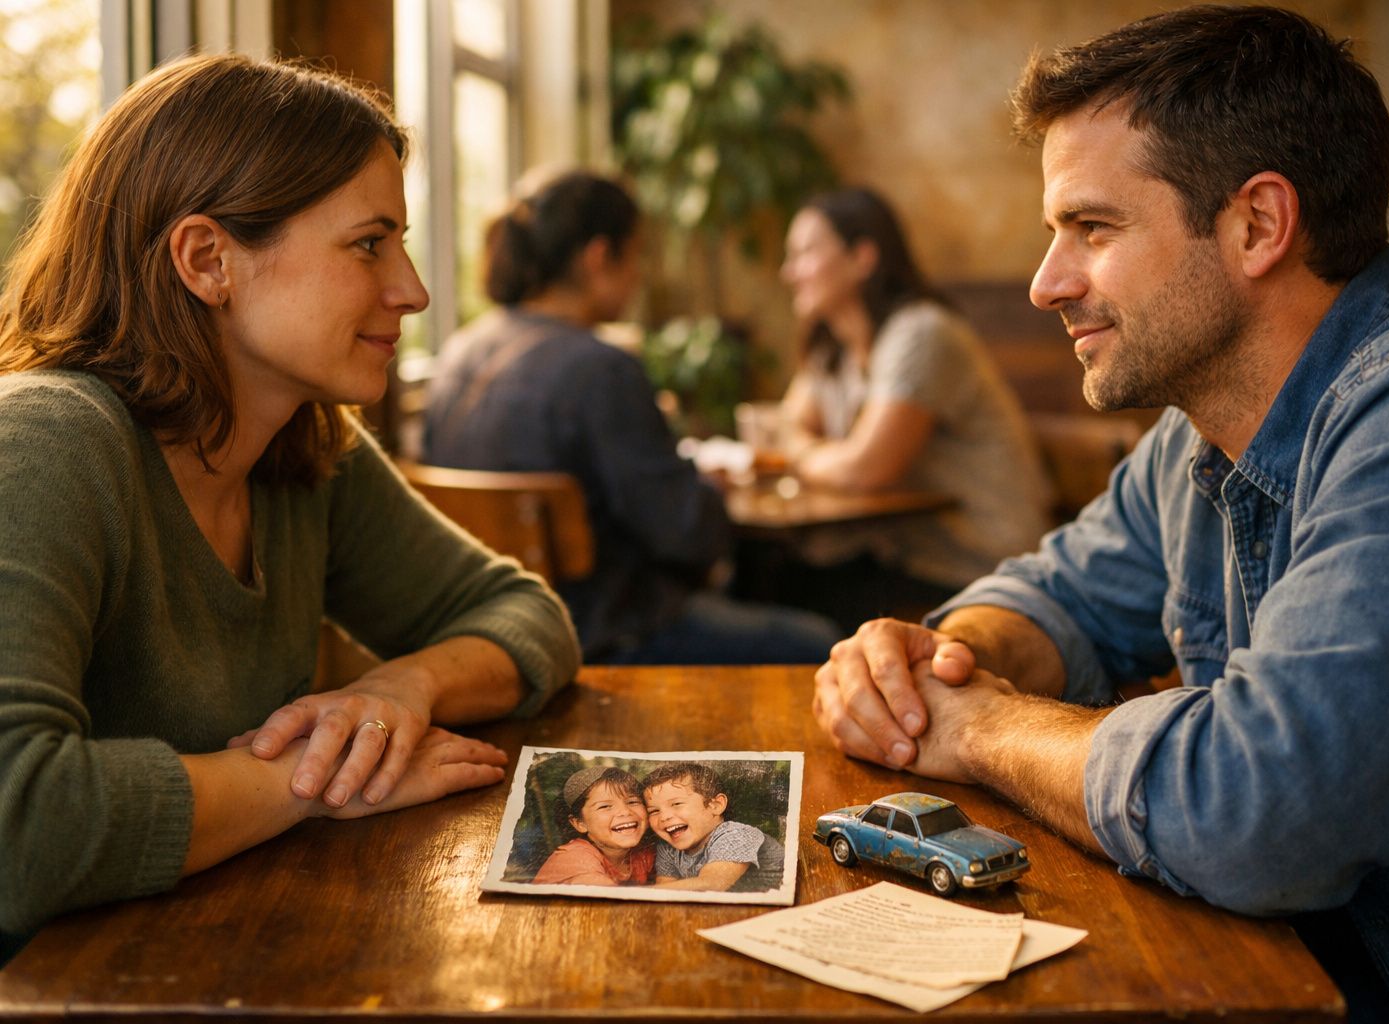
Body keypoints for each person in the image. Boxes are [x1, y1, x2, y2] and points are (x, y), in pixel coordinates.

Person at [811, 8, 1389, 1024]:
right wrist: (940, 662)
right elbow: (1061, 594)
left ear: (1258, 225)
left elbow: (1262, 808)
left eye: (1092, 228)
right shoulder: (1202, 432)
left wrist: (980, 727)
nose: (1046, 283)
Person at [0, 55, 581, 959]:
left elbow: (526, 616)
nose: (413, 290)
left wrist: (401, 687)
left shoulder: (303, 447)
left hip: (212, 961)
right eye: (368, 244)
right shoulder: (45, 443)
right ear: (208, 260)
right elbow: (17, 824)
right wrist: (314, 780)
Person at [420, 171, 840, 665]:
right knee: (823, 643)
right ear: (599, 257)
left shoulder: (458, 353)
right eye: (637, 255)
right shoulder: (601, 368)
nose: (640, 276)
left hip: (490, 636)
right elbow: (687, 533)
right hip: (606, 638)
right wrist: (710, 488)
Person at [771, 187, 1056, 628]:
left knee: (788, 592)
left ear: (861, 258)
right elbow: (784, 427)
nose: (788, 272)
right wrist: (804, 449)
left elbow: (866, 468)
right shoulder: (834, 345)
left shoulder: (922, 333)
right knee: (771, 572)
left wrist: (802, 454)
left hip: (981, 564)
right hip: (909, 555)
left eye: (805, 253)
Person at [642, 762, 784, 893]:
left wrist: (632, 893)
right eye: (654, 811)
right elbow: (663, 891)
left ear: (715, 806)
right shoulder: (669, 848)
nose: (664, 817)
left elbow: (712, 884)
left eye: (677, 804)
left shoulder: (737, 834)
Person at [532, 765, 654, 886]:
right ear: (579, 823)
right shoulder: (573, 857)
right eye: (605, 806)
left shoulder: (643, 853)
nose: (625, 811)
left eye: (633, 802)